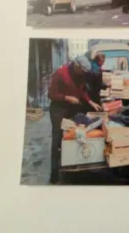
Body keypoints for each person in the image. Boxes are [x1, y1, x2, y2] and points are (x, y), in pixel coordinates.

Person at [47, 56, 102, 184]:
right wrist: (67, 98)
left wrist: (90, 102)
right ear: (77, 66)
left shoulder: (80, 75)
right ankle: (54, 173)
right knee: (57, 139)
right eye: (83, 72)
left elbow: (82, 91)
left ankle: (70, 163)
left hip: (70, 109)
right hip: (58, 109)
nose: (84, 75)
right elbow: (51, 94)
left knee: (71, 135)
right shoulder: (61, 73)